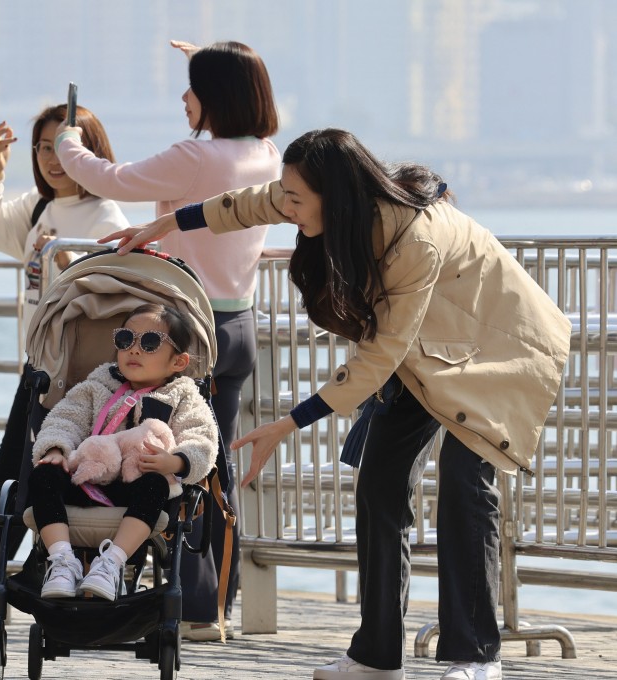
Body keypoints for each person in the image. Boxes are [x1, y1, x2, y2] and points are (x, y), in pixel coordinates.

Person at [102, 128, 572, 680]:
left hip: (501, 350)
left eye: (297, 199)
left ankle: (475, 656)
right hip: (431, 355)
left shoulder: (413, 240)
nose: (288, 208)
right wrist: (168, 223)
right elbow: (250, 204)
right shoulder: (329, 203)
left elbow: (377, 358)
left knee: (466, 488)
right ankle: (377, 655)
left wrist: (289, 422)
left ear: (336, 194)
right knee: (379, 483)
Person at [53, 39, 281, 641]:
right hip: (237, 326)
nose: (184, 98)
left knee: (178, 469)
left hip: (188, 330)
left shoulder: (196, 156)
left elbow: (111, 177)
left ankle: (194, 607)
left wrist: (67, 143)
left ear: (216, 97)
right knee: (212, 464)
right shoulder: (265, 152)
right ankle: (215, 601)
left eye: (192, 86)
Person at [0, 105, 128, 616]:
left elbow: (114, 294)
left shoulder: (106, 215)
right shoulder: (37, 208)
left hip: (76, 376)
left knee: (36, 472)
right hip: (37, 366)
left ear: (89, 150)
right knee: (9, 469)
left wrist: (72, 266)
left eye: (63, 146)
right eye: (42, 147)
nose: (52, 159)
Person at [28, 304, 217, 601]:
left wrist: (176, 461)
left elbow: (201, 440)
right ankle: (63, 561)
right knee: (44, 474)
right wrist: (55, 449)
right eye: (125, 339)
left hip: (138, 485)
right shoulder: (97, 385)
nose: (135, 350)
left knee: (157, 484)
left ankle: (111, 563)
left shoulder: (183, 397)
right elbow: (65, 419)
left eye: (150, 342)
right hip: (89, 480)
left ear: (178, 362)